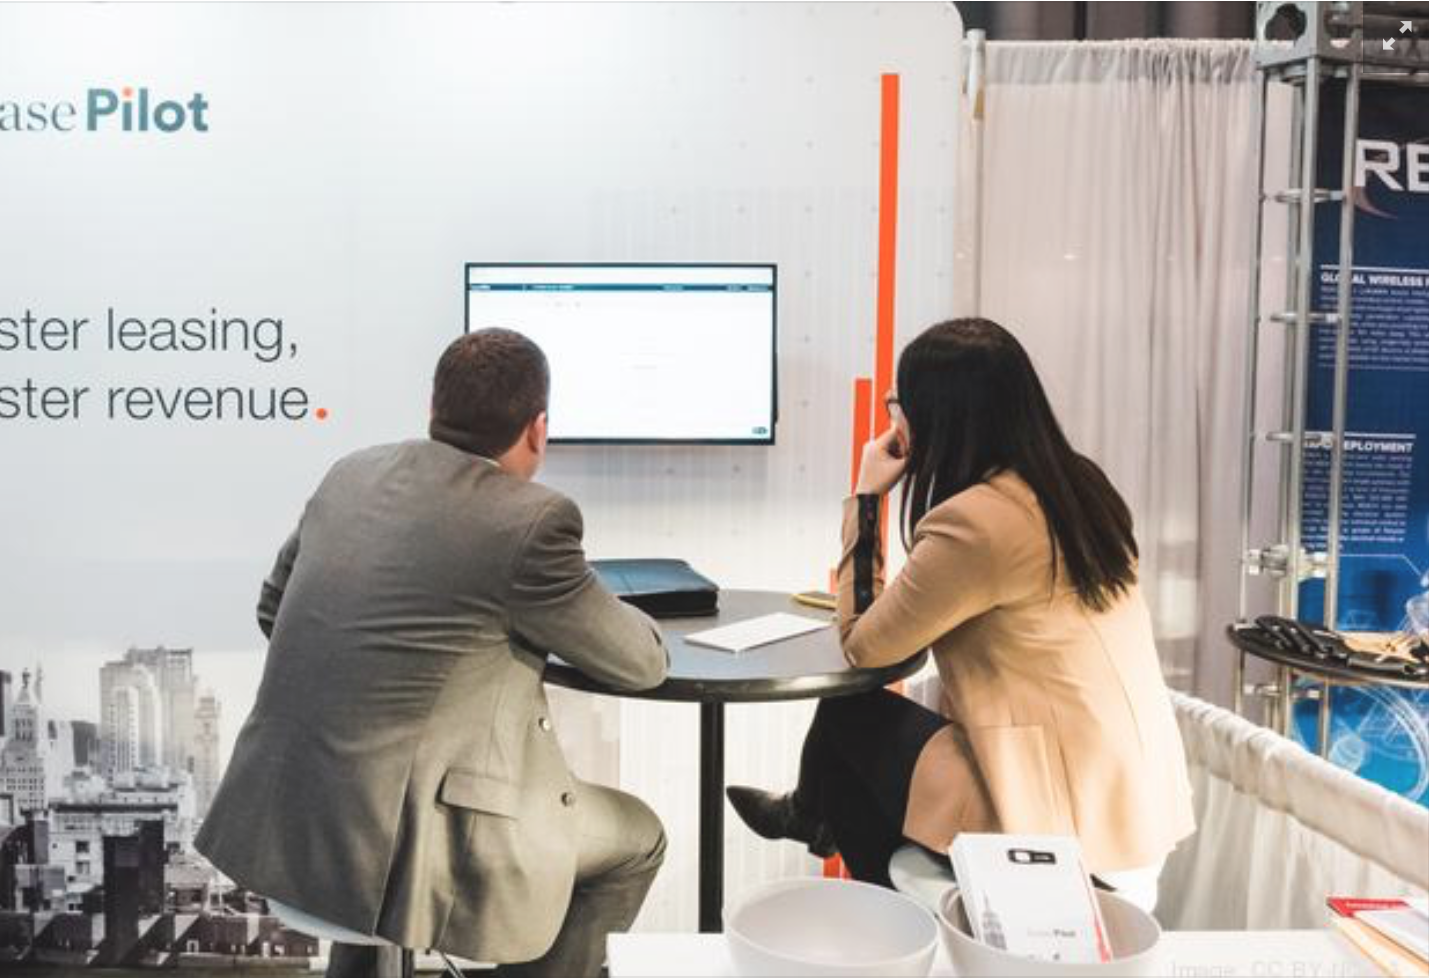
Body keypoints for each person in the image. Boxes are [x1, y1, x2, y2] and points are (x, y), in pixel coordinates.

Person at [196, 328, 669, 977]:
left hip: (292, 823)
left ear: (433, 408)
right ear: (538, 430)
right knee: (638, 839)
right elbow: (640, 663)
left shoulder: (351, 474)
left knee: (379, 843)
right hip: (417, 843)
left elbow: (273, 610)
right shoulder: (532, 522)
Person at [727, 317, 1194, 906]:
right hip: (1131, 803)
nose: (895, 417)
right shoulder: (1079, 485)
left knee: (849, 711)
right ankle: (813, 817)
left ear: (934, 416)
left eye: (898, 403)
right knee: (854, 746)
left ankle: (827, 837)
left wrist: (867, 498)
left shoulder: (976, 523)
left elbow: (865, 646)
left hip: (1057, 818)